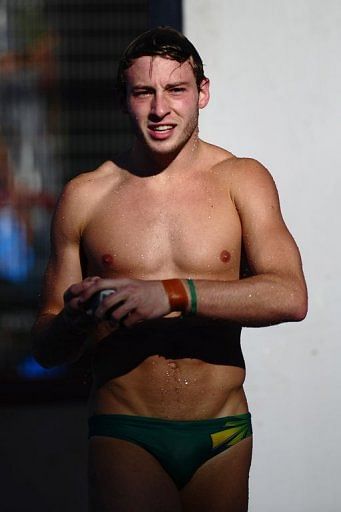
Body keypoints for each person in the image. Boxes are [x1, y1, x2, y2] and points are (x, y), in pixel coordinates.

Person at [31, 27, 307, 512]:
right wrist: (74, 320)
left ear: (202, 93)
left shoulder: (241, 180)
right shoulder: (86, 196)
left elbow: (290, 295)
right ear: (125, 100)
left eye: (176, 89)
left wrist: (174, 294)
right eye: (144, 92)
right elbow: (47, 344)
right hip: (125, 429)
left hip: (222, 430)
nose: (161, 109)